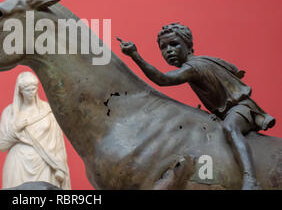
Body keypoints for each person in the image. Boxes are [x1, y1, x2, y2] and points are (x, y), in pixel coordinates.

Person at [117, 23, 275, 190]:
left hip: (242, 108)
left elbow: (163, 80)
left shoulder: (194, 67)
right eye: (163, 47)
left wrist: (135, 55)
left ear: (189, 45)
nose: (169, 50)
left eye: (174, 44)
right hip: (227, 112)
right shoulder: (196, 65)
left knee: (230, 128)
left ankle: (251, 181)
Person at [0, 71, 71, 189]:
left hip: (44, 162)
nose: (32, 92)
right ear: (20, 91)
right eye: (28, 90)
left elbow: (58, 143)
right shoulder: (9, 113)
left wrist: (59, 166)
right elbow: (2, 145)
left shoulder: (48, 110)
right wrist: (15, 129)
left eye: (34, 88)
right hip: (18, 163)